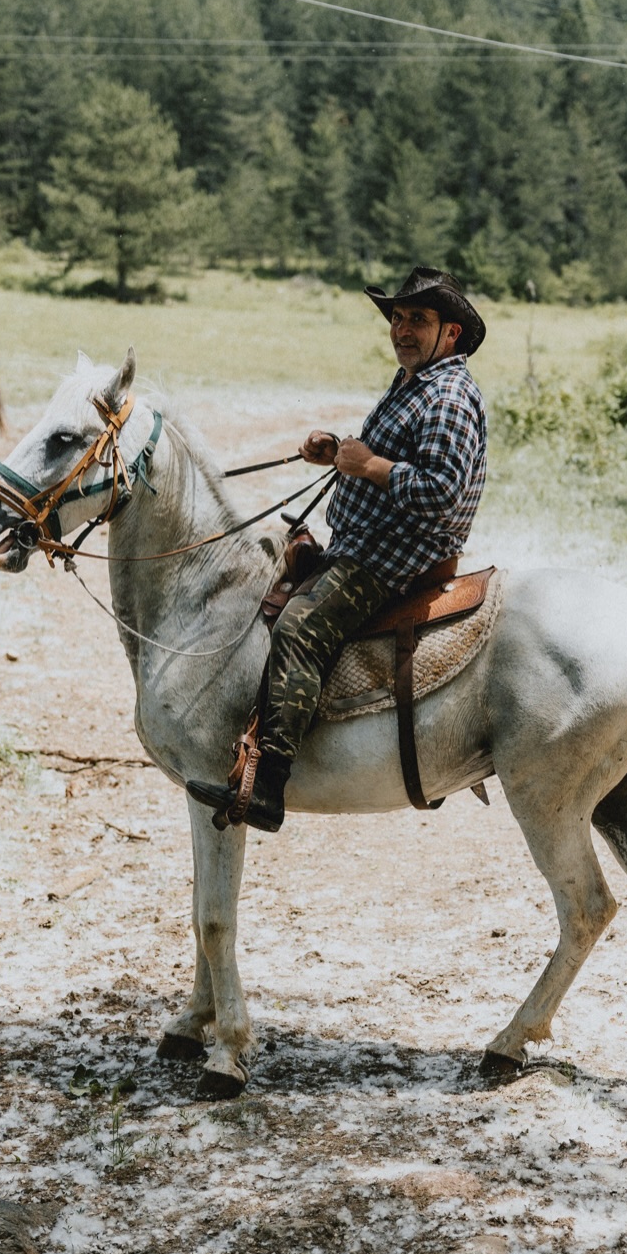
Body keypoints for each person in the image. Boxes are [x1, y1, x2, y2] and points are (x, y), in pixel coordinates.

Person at [188, 265, 488, 833]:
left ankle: (269, 782)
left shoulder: (448, 394)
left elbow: (443, 492)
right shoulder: (415, 381)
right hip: (363, 544)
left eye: (417, 320)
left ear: (451, 333)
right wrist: (339, 452)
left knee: (300, 626)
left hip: (393, 560)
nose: (402, 329)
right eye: (397, 318)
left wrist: (370, 465)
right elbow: (394, 457)